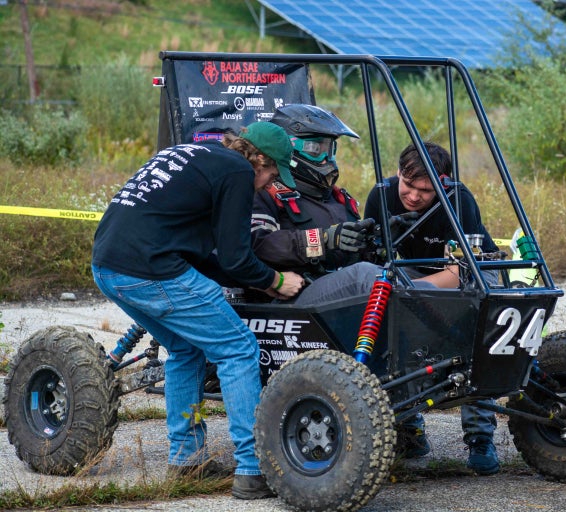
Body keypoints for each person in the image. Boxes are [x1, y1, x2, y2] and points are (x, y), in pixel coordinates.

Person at [91, 122, 305, 500]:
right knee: (238, 347)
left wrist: (255, 278)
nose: (272, 183)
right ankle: (254, 469)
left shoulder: (195, 155)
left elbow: (209, 257)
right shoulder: (238, 172)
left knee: (187, 349)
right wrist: (275, 281)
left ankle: (187, 460)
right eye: (273, 173)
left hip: (109, 267)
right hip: (148, 268)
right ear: (259, 160)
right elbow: (238, 259)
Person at [296, 141, 502, 475]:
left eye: (426, 190)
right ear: (398, 173)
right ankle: (407, 427)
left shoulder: (458, 200)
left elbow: (466, 269)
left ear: (443, 183)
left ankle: (480, 437)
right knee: (389, 324)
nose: (415, 196)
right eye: (409, 185)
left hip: (471, 273)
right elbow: (372, 260)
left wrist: (418, 293)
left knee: (471, 336)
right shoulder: (382, 195)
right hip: (413, 272)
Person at [250, 103, 372, 281]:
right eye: (315, 149)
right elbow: (259, 244)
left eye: (329, 150)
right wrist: (322, 240)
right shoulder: (264, 190)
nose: (325, 160)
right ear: (287, 147)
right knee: (365, 278)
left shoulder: (337, 197)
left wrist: (376, 241)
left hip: (344, 291)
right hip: (294, 296)